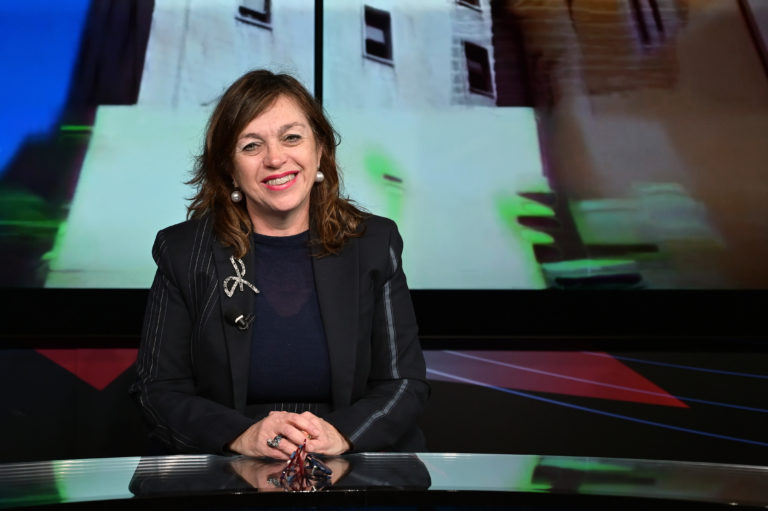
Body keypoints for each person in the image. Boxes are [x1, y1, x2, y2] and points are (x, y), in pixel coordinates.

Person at [129, 70, 429, 459]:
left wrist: (341, 435)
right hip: (227, 469)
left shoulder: (374, 243)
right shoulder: (183, 252)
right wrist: (241, 436)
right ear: (229, 167)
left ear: (319, 149)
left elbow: (404, 384)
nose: (275, 159)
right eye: (251, 146)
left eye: (291, 138)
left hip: (351, 465)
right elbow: (157, 390)